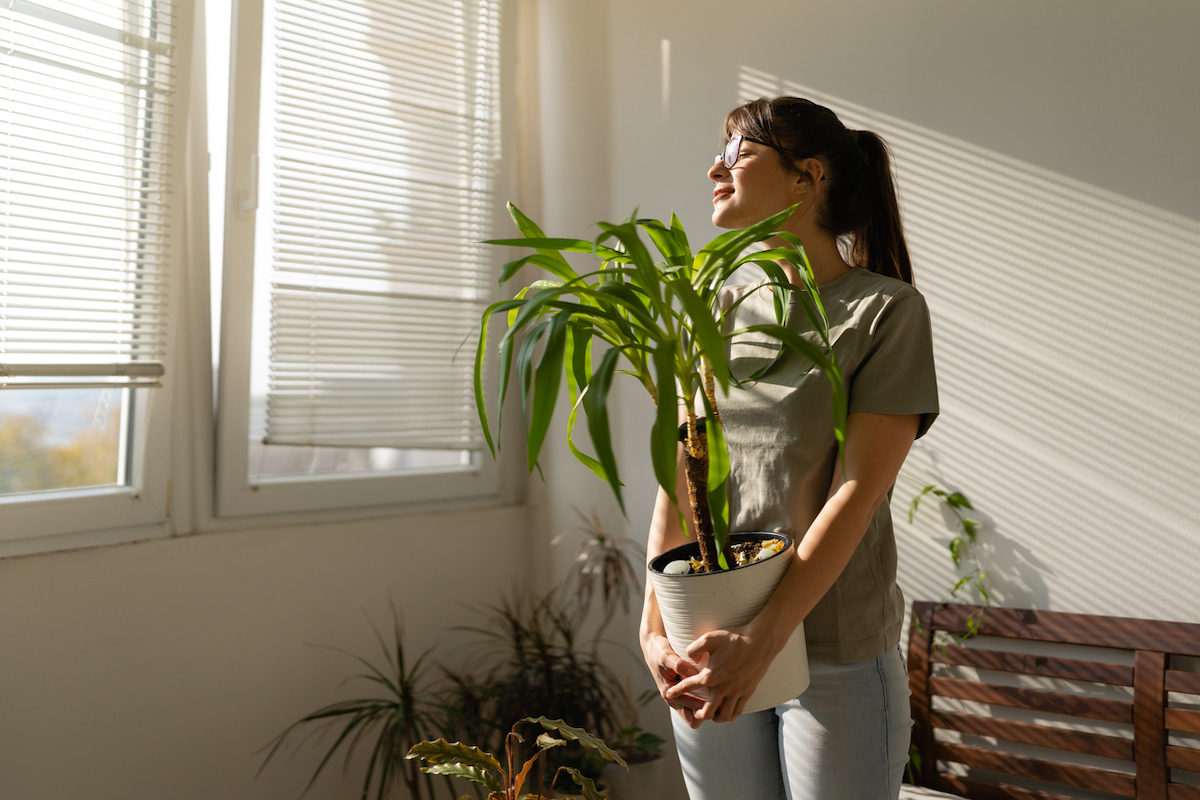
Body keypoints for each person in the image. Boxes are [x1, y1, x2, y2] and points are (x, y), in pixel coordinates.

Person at [639, 96, 940, 800]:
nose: (715, 167)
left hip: (833, 652)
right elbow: (679, 485)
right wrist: (653, 629)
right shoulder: (711, 307)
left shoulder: (884, 312)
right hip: (707, 641)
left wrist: (764, 640)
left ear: (807, 178)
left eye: (739, 152)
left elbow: (856, 493)